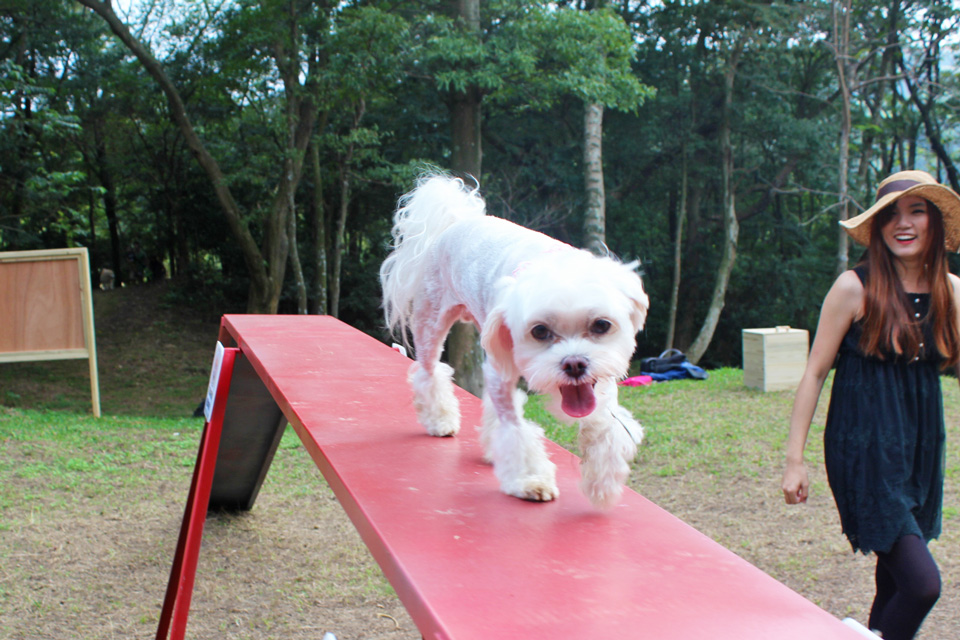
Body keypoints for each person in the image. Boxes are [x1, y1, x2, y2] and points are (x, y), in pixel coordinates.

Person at [781, 170, 960, 640]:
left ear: (935, 223)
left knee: (893, 581)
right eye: (890, 214)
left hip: (920, 447)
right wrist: (794, 460)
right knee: (923, 586)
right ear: (877, 227)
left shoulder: (952, 291)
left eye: (916, 211)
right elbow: (815, 372)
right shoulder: (853, 288)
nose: (903, 223)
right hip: (863, 450)